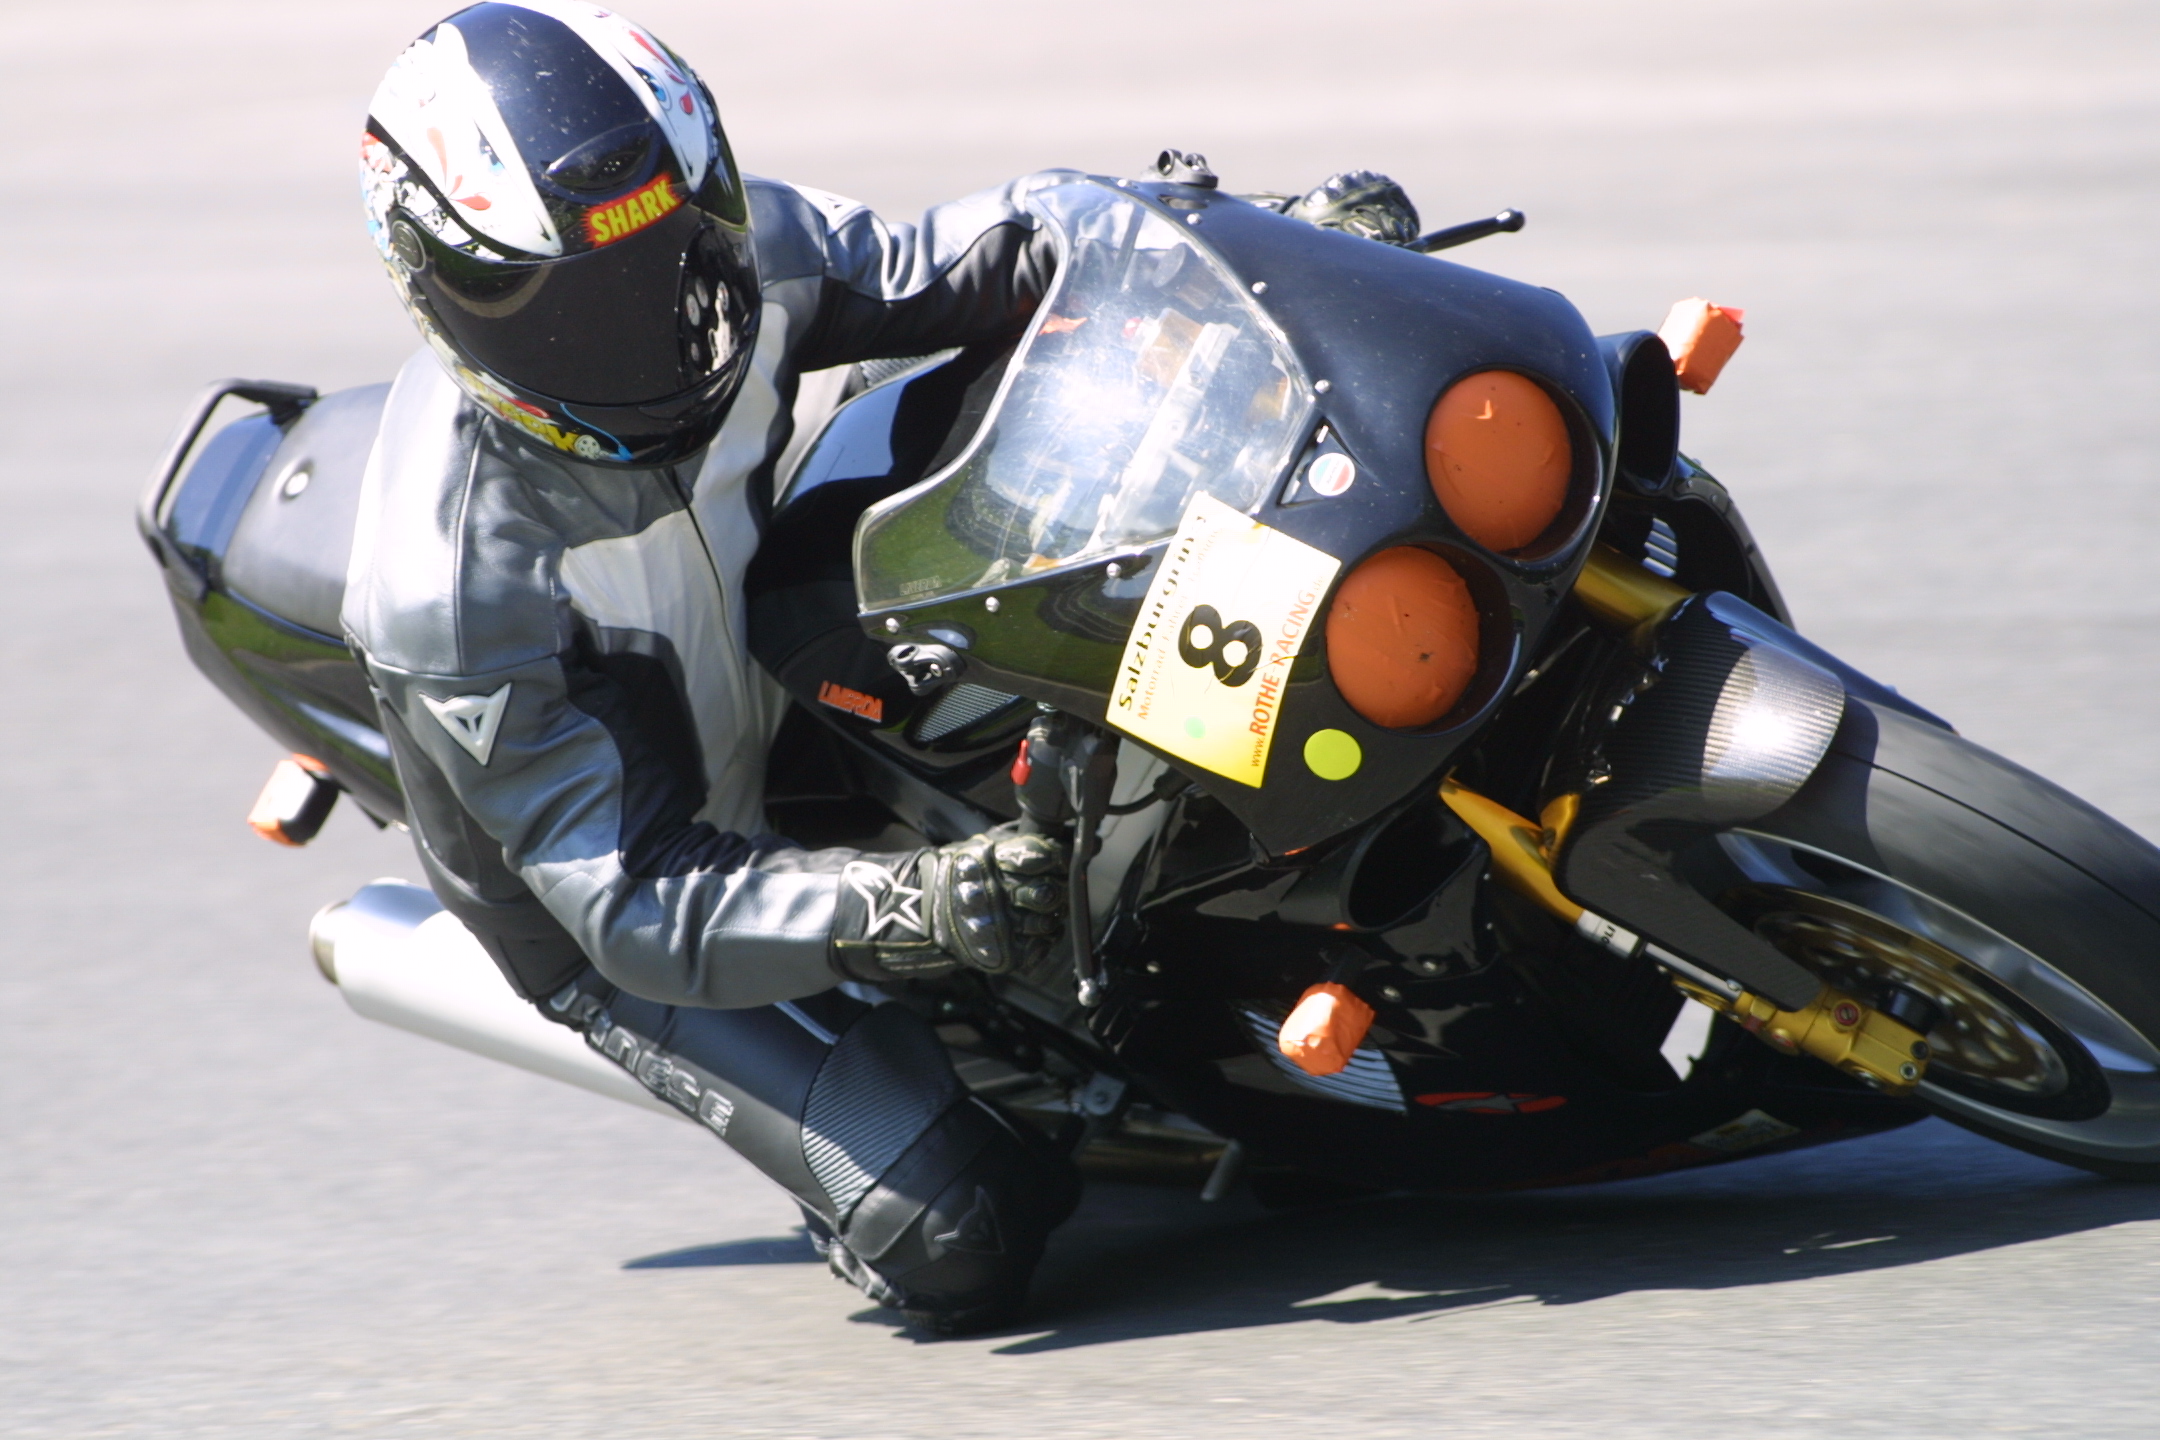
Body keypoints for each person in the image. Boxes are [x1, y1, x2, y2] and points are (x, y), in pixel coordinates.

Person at [345, 0, 1421, 1335]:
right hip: (629, 905)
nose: (645, 329)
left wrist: (1257, 246)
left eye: (665, 255)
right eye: (564, 306)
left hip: (781, 679)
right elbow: (635, 902)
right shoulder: (457, 594)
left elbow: (1017, 242)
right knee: (962, 1230)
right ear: (438, 289)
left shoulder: (740, 263)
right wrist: (922, 906)